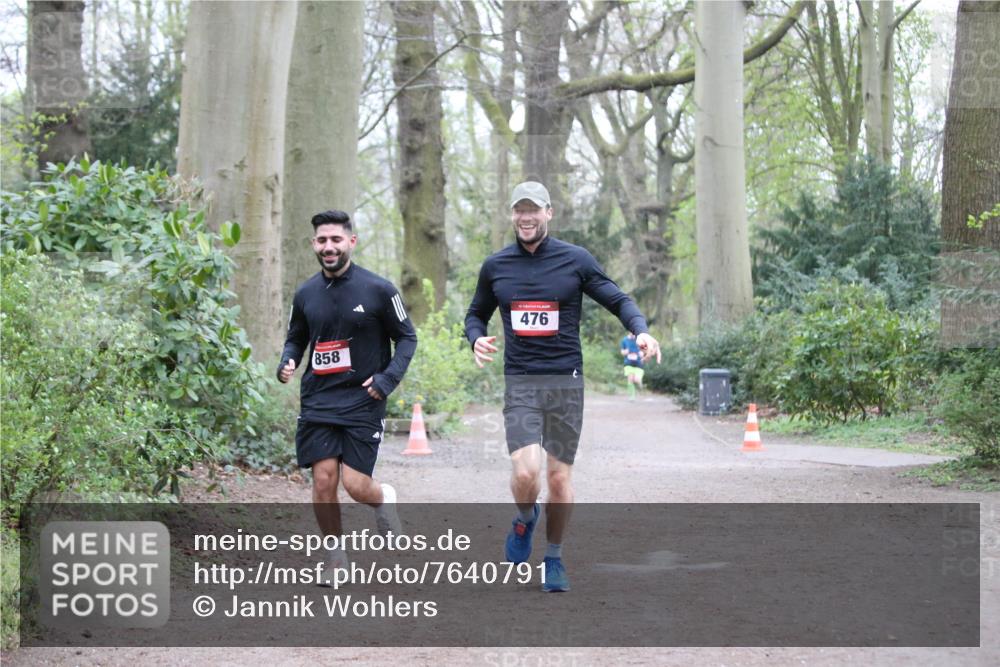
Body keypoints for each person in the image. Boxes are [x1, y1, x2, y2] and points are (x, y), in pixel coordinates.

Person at [465, 181, 660, 592]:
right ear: (512, 215)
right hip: (521, 382)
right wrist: (475, 337)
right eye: (519, 209)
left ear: (548, 213)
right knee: (525, 472)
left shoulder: (576, 260)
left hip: (566, 383)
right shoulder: (496, 265)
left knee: (557, 479)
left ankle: (553, 557)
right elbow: (475, 314)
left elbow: (618, 299)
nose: (525, 217)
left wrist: (640, 330)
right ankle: (524, 519)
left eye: (533, 209)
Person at [278, 209, 417, 584]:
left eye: (336, 239)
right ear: (314, 245)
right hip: (319, 400)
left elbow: (407, 337)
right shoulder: (306, 292)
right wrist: (288, 361)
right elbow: (296, 337)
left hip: (363, 399)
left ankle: (383, 498)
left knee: (355, 486)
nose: (329, 247)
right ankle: (336, 557)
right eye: (322, 240)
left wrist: (387, 379)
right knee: (323, 481)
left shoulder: (380, 290)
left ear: (351, 242)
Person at [620, 332, 644, 400]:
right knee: (630, 379)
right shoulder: (624, 340)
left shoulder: (639, 340)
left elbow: (644, 350)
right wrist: (625, 352)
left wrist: (642, 353)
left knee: (636, 379)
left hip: (638, 363)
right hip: (628, 362)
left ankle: (640, 386)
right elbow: (622, 352)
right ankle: (632, 396)